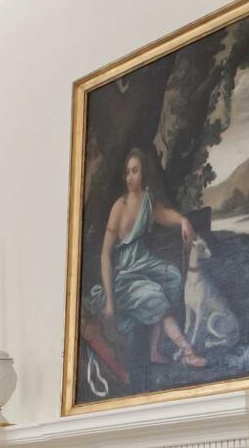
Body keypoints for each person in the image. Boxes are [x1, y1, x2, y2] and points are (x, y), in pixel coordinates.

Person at [87, 145, 210, 370]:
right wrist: (111, 302)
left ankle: (154, 350)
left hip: (144, 262)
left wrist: (183, 220)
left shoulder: (147, 200)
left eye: (135, 171)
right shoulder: (119, 206)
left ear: (143, 173)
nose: (130, 177)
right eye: (127, 172)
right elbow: (105, 254)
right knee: (153, 295)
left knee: (172, 276)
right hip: (124, 273)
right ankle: (188, 351)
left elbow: (164, 215)